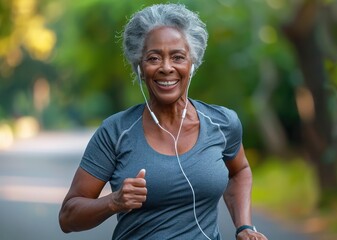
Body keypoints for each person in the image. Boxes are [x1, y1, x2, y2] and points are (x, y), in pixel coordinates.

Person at [59, 3, 267, 240]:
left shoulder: (222, 123)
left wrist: (244, 227)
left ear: (192, 63)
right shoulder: (115, 131)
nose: (166, 68)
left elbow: (240, 171)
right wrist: (113, 202)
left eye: (178, 57)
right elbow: (67, 217)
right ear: (140, 66)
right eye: (154, 58)